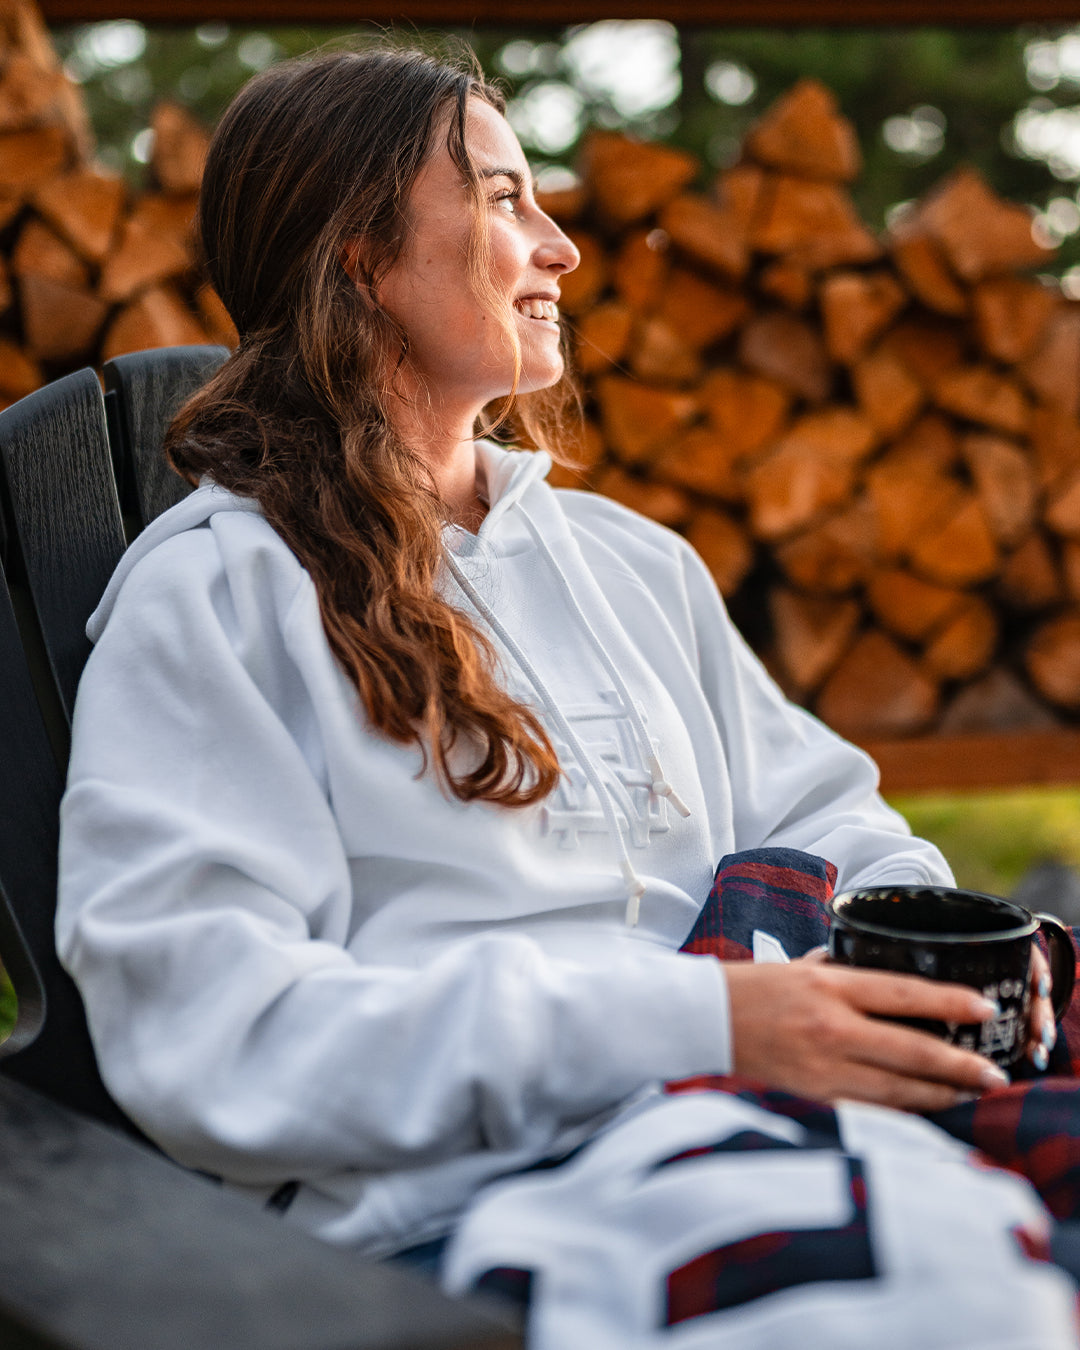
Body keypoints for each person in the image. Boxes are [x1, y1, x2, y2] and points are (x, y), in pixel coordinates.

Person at [56, 43, 1078, 1348]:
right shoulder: (218, 597)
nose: (562, 248)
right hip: (485, 1198)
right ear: (361, 258)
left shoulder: (627, 563)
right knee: (965, 1307)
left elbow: (829, 816)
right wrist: (704, 1016)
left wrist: (970, 947)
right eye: (501, 198)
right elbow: (226, 1031)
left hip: (771, 1114)